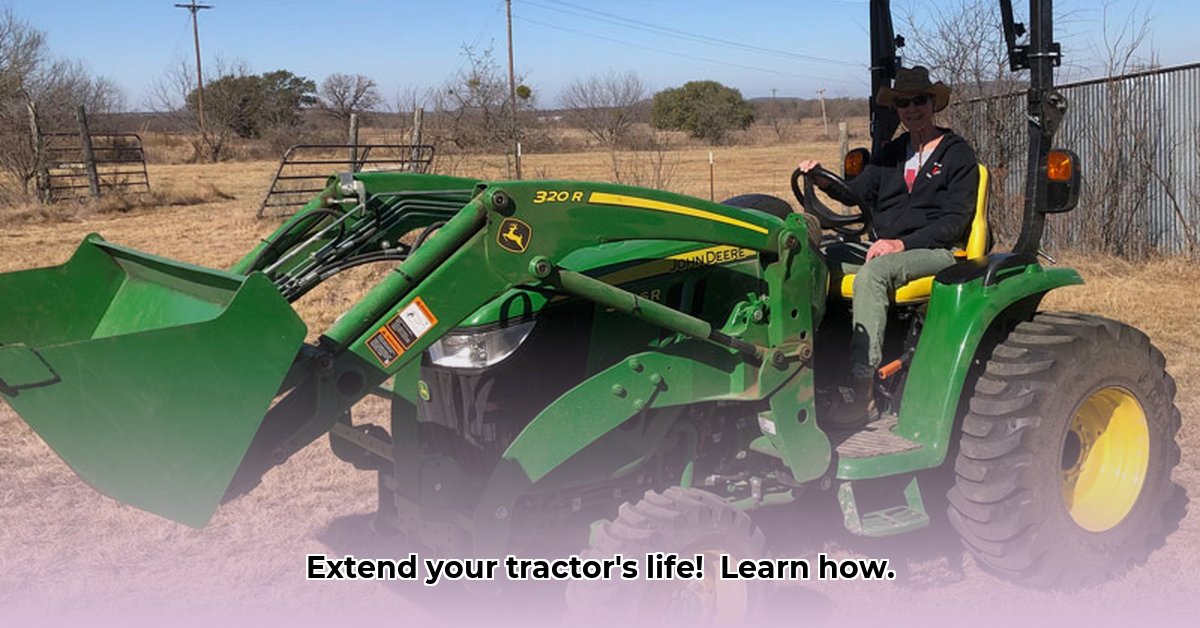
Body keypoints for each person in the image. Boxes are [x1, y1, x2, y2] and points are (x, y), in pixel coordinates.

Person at [798, 65, 979, 428]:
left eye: (919, 101)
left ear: (932, 103)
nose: (912, 110)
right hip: (890, 247)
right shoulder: (892, 153)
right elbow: (857, 192)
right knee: (811, 258)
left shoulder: (957, 154)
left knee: (874, 275)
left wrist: (901, 243)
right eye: (903, 104)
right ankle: (807, 363)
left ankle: (862, 388)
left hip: (937, 249)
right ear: (896, 109)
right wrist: (819, 179)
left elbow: (956, 220)